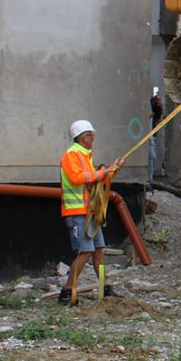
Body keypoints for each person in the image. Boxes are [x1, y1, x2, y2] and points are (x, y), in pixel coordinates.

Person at [59, 119, 123, 305]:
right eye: (89, 135)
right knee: (85, 252)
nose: (92, 138)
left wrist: (113, 170)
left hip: (89, 212)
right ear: (80, 137)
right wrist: (105, 172)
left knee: (98, 251)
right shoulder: (72, 155)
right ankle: (67, 291)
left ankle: (104, 287)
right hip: (77, 212)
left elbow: (94, 181)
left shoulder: (85, 156)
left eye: (92, 135)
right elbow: (79, 178)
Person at [147, 88, 163, 188]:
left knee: (151, 158)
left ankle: (149, 182)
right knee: (149, 158)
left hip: (150, 136)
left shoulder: (152, 103)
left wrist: (157, 104)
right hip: (145, 135)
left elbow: (157, 115)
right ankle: (148, 182)